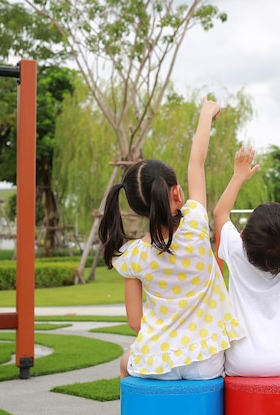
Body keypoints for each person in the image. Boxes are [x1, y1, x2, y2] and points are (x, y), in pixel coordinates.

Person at [99, 98, 245, 380]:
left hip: (158, 362)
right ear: (178, 193)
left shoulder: (133, 257)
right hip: (207, 360)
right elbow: (196, 161)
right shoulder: (195, 223)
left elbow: (135, 322)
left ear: (136, 209)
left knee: (124, 363)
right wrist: (206, 114)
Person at [214, 145, 280, 377]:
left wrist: (238, 175)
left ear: (245, 234)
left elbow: (220, 214)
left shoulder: (236, 250)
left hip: (243, 362)